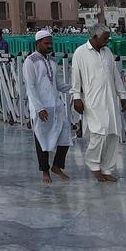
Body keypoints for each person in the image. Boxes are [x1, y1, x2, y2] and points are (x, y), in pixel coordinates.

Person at [71, 24, 126, 183]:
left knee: (112, 133)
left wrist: (122, 95)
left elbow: (115, 75)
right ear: (95, 37)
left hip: (110, 100)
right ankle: (94, 165)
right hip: (92, 100)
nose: (108, 41)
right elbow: (76, 76)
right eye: (105, 38)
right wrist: (76, 97)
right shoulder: (80, 52)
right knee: (98, 133)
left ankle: (107, 168)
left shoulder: (107, 52)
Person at [22, 30, 71, 182]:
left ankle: (57, 166)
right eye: (46, 43)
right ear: (38, 44)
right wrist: (39, 108)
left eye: (51, 43)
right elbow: (31, 87)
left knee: (65, 136)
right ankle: (45, 171)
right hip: (41, 107)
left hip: (56, 104)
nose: (49, 46)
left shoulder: (52, 60)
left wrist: (75, 88)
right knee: (41, 139)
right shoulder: (30, 61)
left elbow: (56, 83)